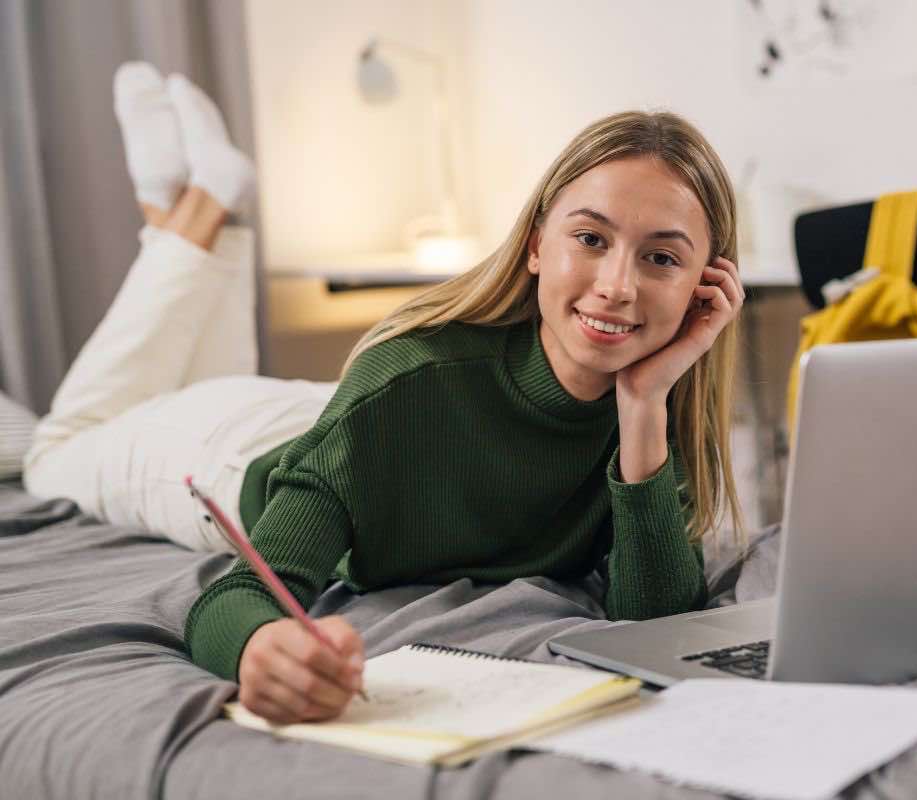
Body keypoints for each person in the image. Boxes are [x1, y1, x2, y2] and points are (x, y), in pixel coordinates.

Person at [24, 62, 747, 725]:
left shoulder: (653, 401)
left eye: (660, 257)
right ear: (534, 246)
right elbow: (237, 593)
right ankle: (203, 203)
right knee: (55, 448)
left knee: (173, 376)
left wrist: (645, 404)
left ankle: (179, 209)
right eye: (590, 239)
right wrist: (258, 651)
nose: (618, 286)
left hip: (340, 416)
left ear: (702, 288)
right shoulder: (403, 387)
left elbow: (653, 617)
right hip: (233, 451)